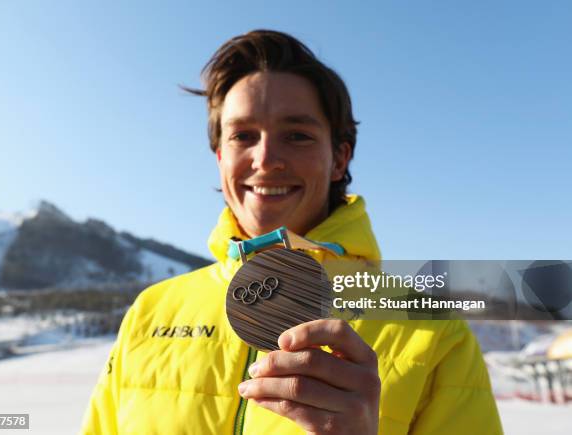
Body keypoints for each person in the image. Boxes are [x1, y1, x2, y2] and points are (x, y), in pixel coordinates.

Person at [81, 30, 503, 434]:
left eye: (297, 135)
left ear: (340, 158)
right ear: (219, 157)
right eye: (243, 135)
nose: (266, 159)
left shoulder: (431, 329)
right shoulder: (151, 312)